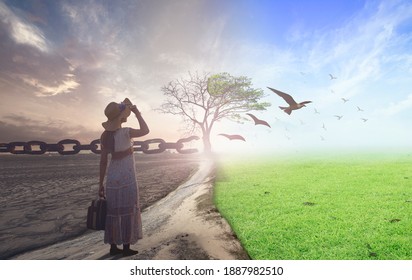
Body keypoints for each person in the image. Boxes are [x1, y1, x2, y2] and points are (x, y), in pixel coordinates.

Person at [99, 98, 149, 257]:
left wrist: (100, 183)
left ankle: (113, 246)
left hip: (113, 178)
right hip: (127, 178)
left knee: (113, 212)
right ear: (121, 116)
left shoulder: (105, 136)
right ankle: (126, 247)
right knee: (128, 210)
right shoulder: (127, 132)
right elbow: (145, 130)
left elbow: (103, 161)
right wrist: (137, 113)